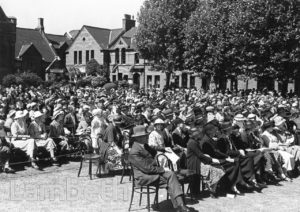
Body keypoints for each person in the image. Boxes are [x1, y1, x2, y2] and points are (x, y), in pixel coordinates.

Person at [128, 125, 194, 212]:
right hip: (144, 176)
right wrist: (163, 169)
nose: (148, 137)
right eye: (145, 136)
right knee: (171, 178)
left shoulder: (144, 145)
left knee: (171, 176)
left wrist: (165, 149)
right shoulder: (134, 152)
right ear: (139, 138)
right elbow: (147, 169)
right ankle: (180, 206)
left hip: (152, 172)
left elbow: (154, 148)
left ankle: (180, 206)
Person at [187, 127, 225, 198]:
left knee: (219, 168)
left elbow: (200, 154)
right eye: (197, 133)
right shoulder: (192, 142)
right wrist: (211, 160)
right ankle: (211, 189)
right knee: (215, 169)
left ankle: (212, 189)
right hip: (194, 164)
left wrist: (210, 159)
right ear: (193, 135)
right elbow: (200, 155)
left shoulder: (195, 141)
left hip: (199, 162)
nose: (199, 134)